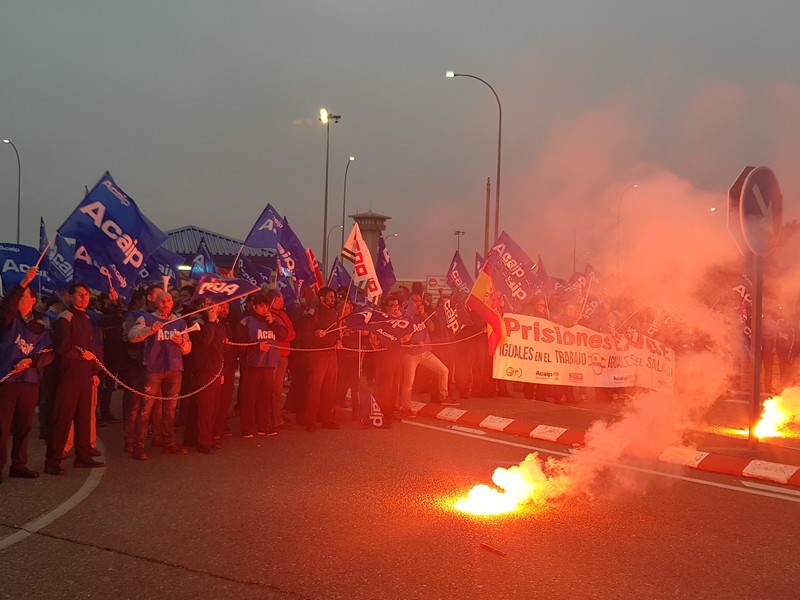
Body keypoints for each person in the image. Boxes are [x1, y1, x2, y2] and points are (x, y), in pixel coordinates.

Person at [44, 283, 105, 475]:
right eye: (80, 295)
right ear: (70, 297)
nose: (84, 298)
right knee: (62, 419)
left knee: (84, 417)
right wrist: (80, 355)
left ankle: (83, 456)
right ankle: (52, 461)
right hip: (68, 376)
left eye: (86, 294)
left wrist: (94, 371)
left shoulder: (86, 318)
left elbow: (91, 348)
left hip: (85, 375)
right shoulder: (65, 318)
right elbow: (62, 347)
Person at [0, 267, 53, 481]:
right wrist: (22, 284)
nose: (19, 300)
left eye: (23, 297)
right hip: (7, 381)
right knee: (2, 426)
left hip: (29, 381)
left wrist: (32, 361)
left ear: (32, 301)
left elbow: (49, 352)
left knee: (24, 426)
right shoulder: (8, 321)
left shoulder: (40, 327)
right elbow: (6, 308)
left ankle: (19, 464)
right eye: (18, 297)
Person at [128, 291, 192, 460]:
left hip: (174, 369)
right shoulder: (146, 318)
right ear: (156, 303)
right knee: (146, 409)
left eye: (168, 300)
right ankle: (138, 445)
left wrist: (181, 342)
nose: (165, 303)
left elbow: (187, 349)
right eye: (162, 301)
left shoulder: (180, 321)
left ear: (173, 303)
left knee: (170, 409)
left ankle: (168, 442)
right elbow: (132, 336)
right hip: (153, 369)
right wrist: (149, 330)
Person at [235, 291, 288, 438]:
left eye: (266, 306)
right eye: (261, 306)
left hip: (269, 364)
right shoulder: (246, 322)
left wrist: (273, 323)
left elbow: (283, 335)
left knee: (265, 396)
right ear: (254, 307)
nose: (264, 309)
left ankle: (264, 426)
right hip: (252, 365)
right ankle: (247, 427)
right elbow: (240, 345)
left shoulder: (272, 321)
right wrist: (257, 347)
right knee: (250, 397)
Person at [398, 292, 456, 414]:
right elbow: (401, 336)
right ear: (410, 302)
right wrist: (413, 342)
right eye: (415, 301)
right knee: (408, 383)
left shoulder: (422, 315)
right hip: (411, 355)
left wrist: (423, 314)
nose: (418, 303)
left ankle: (444, 396)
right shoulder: (405, 316)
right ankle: (406, 407)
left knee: (444, 370)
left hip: (425, 353)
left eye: (420, 301)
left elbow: (432, 328)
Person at [183, 298, 227, 453]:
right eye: (210, 305)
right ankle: (203, 441)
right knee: (205, 408)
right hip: (202, 370)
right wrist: (210, 322)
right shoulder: (197, 322)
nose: (214, 308)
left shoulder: (220, 324)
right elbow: (205, 341)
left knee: (211, 407)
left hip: (215, 370)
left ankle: (197, 437)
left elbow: (221, 349)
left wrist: (222, 371)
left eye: (216, 305)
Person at [303, 287, 341, 431]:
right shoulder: (314, 313)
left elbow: (337, 331)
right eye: (330, 297)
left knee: (330, 387)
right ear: (322, 298)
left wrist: (338, 341)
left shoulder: (334, 313)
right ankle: (310, 421)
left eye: (334, 297)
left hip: (331, 353)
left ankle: (327, 419)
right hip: (317, 353)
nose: (333, 299)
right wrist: (315, 333)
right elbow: (304, 333)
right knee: (314, 388)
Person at [267, 289, 295, 430]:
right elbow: (283, 335)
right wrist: (286, 334)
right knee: (272, 389)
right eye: (281, 297)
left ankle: (276, 416)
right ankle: (271, 418)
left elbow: (292, 333)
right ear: (275, 299)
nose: (283, 300)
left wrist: (286, 334)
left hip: (284, 355)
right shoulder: (269, 315)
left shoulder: (283, 314)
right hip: (274, 356)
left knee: (277, 390)